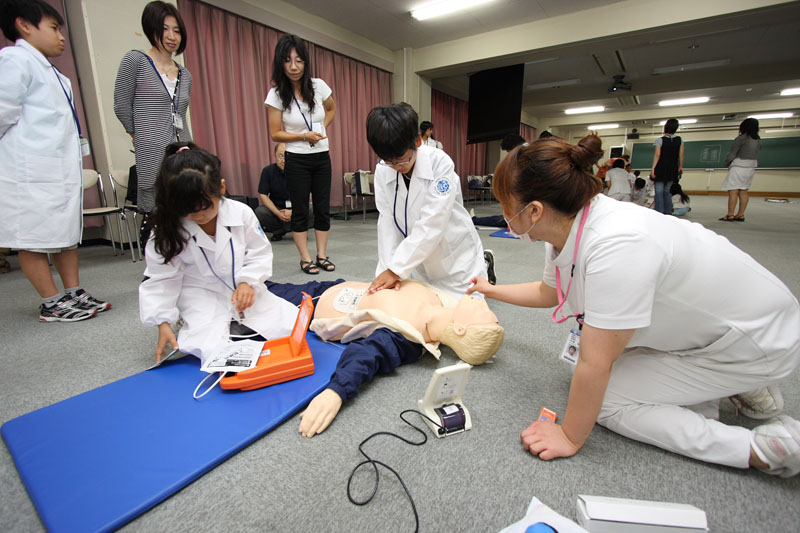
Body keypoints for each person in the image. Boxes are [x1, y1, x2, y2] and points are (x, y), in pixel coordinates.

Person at [467, 135, 800, 477]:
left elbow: (595, 363)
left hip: (759, 340)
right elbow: (550, 291)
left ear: (534, 211)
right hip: (735, 321)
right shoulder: (571, 224)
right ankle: (730, 385)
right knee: (595, 376)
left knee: (607, 400)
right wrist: (491, 290)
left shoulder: (617, 244)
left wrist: (569, 435)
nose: (505, 217)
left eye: (506, 207)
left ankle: (760, 449)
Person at [263, 279, 504, 438]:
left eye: (485, 313)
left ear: (460, 329)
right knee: (251, 283)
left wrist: (335, 392)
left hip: (310, 305)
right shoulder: (440, 300)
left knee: (252, 294)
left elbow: (367, 355)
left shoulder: (408, 338)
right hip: (340, 286)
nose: (485, 305)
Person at [0, 0, 110, 322]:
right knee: (33, 237)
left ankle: (72, 291)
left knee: (65, 232)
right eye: (53, 28)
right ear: (24, 25)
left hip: (58, 169)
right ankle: (51, 301)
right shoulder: (15, 59)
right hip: (30, 169)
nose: (61, 36)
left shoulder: (55, 73)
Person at [139, 142, 297, 364]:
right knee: (213, 348)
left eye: (206, 207)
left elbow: (259, 251)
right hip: (199, 292)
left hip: (242, 289)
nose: (200, 216)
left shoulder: (241, 213)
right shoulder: (167, 229)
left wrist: (247, 282)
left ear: (221, 188)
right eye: (189, 212)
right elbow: (161, 279)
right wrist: (163, 322)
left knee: (288, 327)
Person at [366, 103, 491, 297]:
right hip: (416, 260)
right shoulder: (384, 168)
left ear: (417, 141)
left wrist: (396, 269)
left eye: (400, 160)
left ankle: (485, 262)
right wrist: (387, 270)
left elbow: (432, 223)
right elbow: (387, 222)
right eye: (388, 161)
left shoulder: (440, 163)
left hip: (455, 259)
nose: (395, 167)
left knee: (463, 318)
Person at [114, 1, 192, 244]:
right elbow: (121, 105)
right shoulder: (135, 61)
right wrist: (138, 134)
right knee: (156, 209)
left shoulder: (184, 74)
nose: (171, 36)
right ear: (151, 28)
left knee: (184, 207)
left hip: (182, 148)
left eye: (177, 30)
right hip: (151, 147)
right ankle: (155, 269)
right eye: (165, 29)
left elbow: (181, 113)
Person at [265, 34, 336, 275]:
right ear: (280, 63)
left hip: (321, 156)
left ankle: (322, 255)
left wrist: (321, 128)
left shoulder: (318, 86)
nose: (294, 66)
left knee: (323, 207)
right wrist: (303, 136)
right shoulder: (276, 94)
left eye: (299, 60)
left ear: (306, 62)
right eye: (288, 60)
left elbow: (332, 108)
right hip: (296, 157)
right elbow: (276, 133)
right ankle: (305, 258)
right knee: (300, 208)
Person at [719, 118, 762, 222]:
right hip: (750, 168)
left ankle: (730, 215)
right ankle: (741, 214)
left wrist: (726, 163)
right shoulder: (758, 140)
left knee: (733, 191)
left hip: (738, 166)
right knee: (744, 191)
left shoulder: (741, 138)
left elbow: (732, 154)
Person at [254, 143, 292, 241]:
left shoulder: (300, 170)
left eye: (287, 156)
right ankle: (278, 231)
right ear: (274, 156)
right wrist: (278, 212)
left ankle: (298, 230)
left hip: (296, 207)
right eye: (280, 156)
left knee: (311, 209)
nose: (283, 160)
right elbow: (263, 194)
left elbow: (308, 194)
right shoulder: (268, 171)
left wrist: (293, 211)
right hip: (276, 208)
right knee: (260, 211)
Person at [650, 118, 684, 214]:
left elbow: (657, 155)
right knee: (667, 191)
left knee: (659, 191)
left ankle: (659, 212)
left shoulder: (660, 140)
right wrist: (680, 166)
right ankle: (668, 211)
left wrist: (653, 169)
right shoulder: (680, 140)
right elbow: (681, 155)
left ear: (665, 127)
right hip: (673, 168)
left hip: (661, 167)